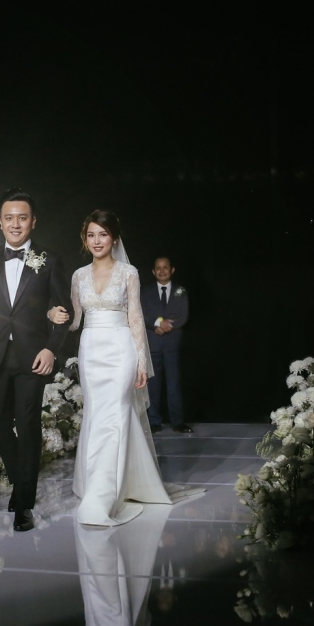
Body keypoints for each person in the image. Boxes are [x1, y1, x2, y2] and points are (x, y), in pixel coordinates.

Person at [48, 210, 202, 527]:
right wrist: (53, 314)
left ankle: (106, 494)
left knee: (116, 414)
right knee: (96, 414)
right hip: (90, 350)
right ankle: (98, 482)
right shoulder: (78, 276)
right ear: (84, 239)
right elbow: (75, 320)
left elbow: (135, 318)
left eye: (102, 234)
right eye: (91, 235)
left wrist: (142, 362)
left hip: (121, 349)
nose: (97, 241)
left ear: (114, 238)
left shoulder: (128, 272)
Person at [0, 188, 72, 532]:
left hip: (32, 357)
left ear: (32, 221)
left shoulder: (49, 259)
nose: (15, 223)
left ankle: (24, 502)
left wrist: (51, 348)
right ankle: (20, 481)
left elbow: (64, 311)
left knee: (27, 425)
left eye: (22, 217)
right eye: (9, 218)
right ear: (0, 222)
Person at [139, 256, 191, 433]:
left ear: (172, 270)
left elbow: (183, 315)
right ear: (153, 271)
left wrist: (169, 326)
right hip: (153, 343)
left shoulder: (180, 291)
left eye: (165, 267)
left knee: (174, 383)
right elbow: (141, 314)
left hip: (171, 344)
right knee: (153, 385)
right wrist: (157, 324)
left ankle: (178, 422)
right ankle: (154, 421)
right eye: (158, 268)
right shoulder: (145, 292)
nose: (162, 271)